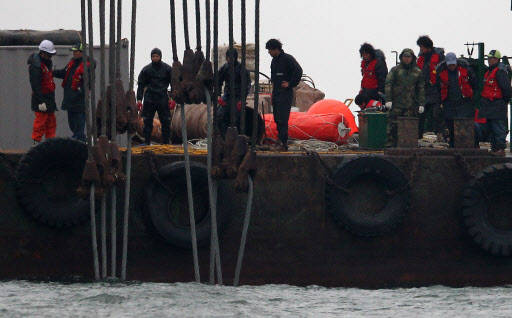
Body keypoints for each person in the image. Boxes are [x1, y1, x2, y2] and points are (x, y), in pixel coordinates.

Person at [266, 39, 303, 151]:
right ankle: (279, 140)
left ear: (276, 49)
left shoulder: (287, 59)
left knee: (282, 118)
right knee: (277, 118)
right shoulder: (274, 61)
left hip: (285, 93)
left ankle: (283, 142)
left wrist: (290, 84)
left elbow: (298, 71)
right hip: (276, 92)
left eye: (270, 50)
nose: (269, 52)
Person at [384, 48, 425, 148]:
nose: (406, 59)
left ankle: (408, 146)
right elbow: (388, 84)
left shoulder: (417, 72)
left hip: (411, 105)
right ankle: (391, 146)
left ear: (412, 58)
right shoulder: (395, 70)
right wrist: (388, 99)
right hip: (396, 104)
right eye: (404, 57)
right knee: (392, 126)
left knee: (409, 127)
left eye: (408, 57)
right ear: (401, 57)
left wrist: (421, 104)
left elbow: (421, 88)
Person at [436, 52, 477, 148]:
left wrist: (472, 98)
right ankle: (453, 144)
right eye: (449, 64)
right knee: (450, 124)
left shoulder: (466, 70)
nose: (451, 66)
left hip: (464, 101)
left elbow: (475, 84)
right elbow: (438, 88)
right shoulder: (441, 73)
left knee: (467, 123)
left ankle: (473, 144)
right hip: (449, 102)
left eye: (453, 64)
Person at [478, 50, 511, 157]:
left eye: (491, 58)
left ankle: (501, 149)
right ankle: (495, 148)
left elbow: (506, 89)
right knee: (491, 128)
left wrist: (502, 101)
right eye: (488, 58)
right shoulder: (489, 71)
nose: (488, 60)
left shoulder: (500, 71)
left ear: (496, 59)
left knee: (498, 127)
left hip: (497, 104)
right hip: (490, 105)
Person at [136, 48, 173, 145]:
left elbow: (173, 84)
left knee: (165, 121)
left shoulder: (167, 69)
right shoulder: (146, 70)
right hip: (150, 97)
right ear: (151, 57)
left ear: (160, 57)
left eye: (157, 56)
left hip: (162, 97)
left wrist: (172, 98)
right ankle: (147, 142)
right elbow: (140, 85)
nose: (155, 58)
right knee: (147, 121)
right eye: (153, 56)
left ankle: (166, 143)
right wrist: (139, 100)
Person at [53, 43, 88, 142]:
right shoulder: (72, 64)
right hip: (70, 100)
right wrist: (53, 73)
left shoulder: (86, 66)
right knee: (72, 123)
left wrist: (80, 93)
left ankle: (80, 141)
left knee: (79, 124)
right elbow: (64, 73)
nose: (74, 53)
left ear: (81, 52)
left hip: (79, 101)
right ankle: (77, 138)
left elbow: (88, 82)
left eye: (75, 51)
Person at [27, 40, 57, 146]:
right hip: (41, 98)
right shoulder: (36, 66)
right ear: (43, 53)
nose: (50, 57)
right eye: (48, 55)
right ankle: (36, 143)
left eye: (51, 55)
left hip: (49, 98)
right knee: (40, 122)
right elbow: (35, 86)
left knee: (51, 122)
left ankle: (50, 142)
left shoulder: (46, 63)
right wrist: (40, 102)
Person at [216, 48, 251, 137]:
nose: (230, 60)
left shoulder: (242, 69)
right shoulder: (224, 68)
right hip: (227, 96)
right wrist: (218, 96)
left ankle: (237, 138)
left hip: (238, 96)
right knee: (219, 116)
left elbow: (246, 86)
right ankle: (225, 138)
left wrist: (242, 100)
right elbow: (218, 82)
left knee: (236, 118)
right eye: (228, 58)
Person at [416, 35, 445, 140]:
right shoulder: (420, 58)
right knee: (420, 114)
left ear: (427, 46)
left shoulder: (439, 57)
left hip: (435, 89)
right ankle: (418, 135)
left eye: (421, 46)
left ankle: (440, 135)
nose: (420, 49)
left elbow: (443, 73)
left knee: (437, 114)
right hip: (423, 90)